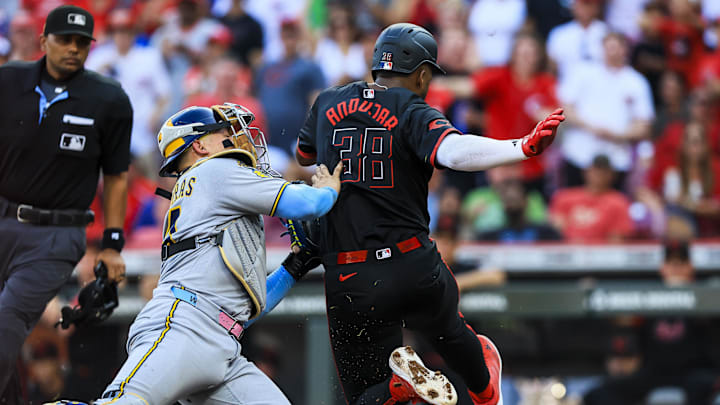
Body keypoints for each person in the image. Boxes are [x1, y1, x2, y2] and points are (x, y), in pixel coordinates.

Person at [296, 22, 564, 405]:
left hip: (351, 272)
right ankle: (484, 386)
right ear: (422, 74)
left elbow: (304, 156)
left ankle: (396, 387)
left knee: (364, 397)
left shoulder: (326, 101)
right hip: (412, 262)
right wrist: (521, 147)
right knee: (450, 331)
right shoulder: (411, 106)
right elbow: (453, 153)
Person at [83, 103, 341, 404]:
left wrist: (294, 266)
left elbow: (247, 308)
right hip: (183, 327)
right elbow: (309, 204)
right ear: (200, 145)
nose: (236, 139)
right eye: (223, 134)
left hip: (220, 342)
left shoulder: (210, 189)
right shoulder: (215, 171)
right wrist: (329, 188)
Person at [0, 5, 133, 404]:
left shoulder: (108, 99)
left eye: (82, 42)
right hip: (2, 217)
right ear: (43, 42)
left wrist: (112, 244)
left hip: (56, 235)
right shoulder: (7, 82)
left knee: (4, 323)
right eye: (64, 40)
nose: (73, 48)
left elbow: (116, 176)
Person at [584, 240, 719, 405]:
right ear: (663, 268)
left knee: (703, 385)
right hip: (655, 372)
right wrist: (592, 292)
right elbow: (623, 317)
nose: (675, 268)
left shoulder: (706, 293)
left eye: (681, 263)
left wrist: (685, 292)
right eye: (671, 263)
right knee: (597, 394)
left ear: (690, 267)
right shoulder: (648, 295)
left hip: (694, 372)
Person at [549, 155, 635, 242]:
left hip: (601, 253)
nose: (599, 174)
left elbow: (617, 238)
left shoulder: (619, 202)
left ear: (612, 174)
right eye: (596, 170)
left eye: (603, 171)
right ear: (586, 171)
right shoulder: (564, 197)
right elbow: (556, 231)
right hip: (568, 251)